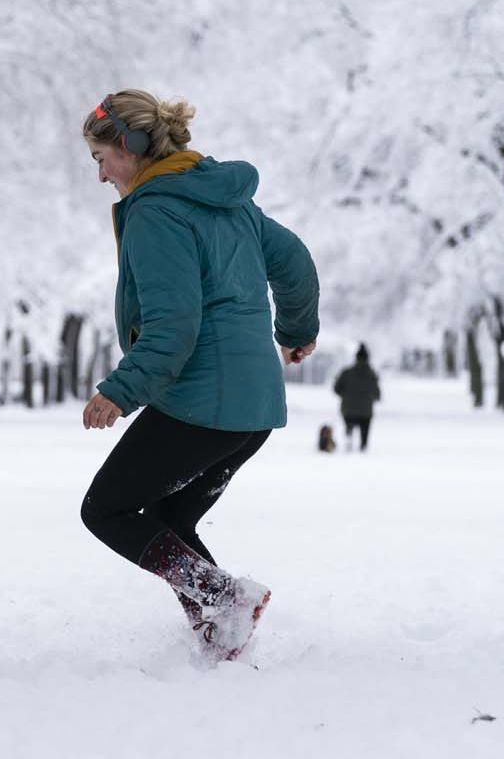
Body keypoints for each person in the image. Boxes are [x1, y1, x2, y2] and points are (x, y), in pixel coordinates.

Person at [76, 89, 320, 663]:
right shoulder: (230, 203)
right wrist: (296, 328)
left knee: (105, 509)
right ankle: (221, 634)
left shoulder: (156, 212)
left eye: (101, 158)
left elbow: (173, 324)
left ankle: (225, 600)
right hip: (253, 405)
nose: (102, 175)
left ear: (131, 147)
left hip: (201, 405)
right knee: (169, 517)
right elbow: (296, 262)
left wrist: (120, 391)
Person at [332, 345, 382, 451]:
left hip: (348, 410)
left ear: (356, 357)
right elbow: (377, 393)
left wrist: (345, 396)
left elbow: (336, 389)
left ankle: (349, 438)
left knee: (349, 425)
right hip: (366, 412)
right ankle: (363, 446)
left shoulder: (346, 372)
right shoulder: (371, 374)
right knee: (365, 428)